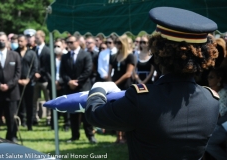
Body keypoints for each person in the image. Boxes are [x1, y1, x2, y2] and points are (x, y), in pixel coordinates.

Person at [85, 7, 220, 159]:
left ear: (158, 54)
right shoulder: (212, 101)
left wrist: (98, 89)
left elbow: (95, 115)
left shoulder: (142, 99)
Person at [60, 35, 97, 143]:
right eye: (67, 42)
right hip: (70, 88)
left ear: (77, 42)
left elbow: (88, 70)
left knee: (86, 114)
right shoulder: (65, 56)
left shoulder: (86, 55)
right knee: (73, 114)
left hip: (83, 88)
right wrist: (69, 81)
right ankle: (74, 135)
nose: (69, 44)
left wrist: (77, 81)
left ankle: (90, 135)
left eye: (71, 42)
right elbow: (63, 72)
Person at [0, 32, 21, 143]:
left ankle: (11, 137)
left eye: (3, 40)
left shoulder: (15, 55)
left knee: (11, 118)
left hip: (11, 93)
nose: (1, 42)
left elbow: (18, 73)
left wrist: (9, 85)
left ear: (7, 41)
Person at [108, 34, 135, 143]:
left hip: (125, 86)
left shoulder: (130, 56)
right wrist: (110, 83)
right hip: (114, 86)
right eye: (116, 42)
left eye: (119, 42)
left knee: (125, 111)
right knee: (115, 111)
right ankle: (118, 136)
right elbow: (109, 72)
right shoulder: (113, 56)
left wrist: (115, 83)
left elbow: (128, 73)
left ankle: (124, 136)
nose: (117, 44)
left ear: (123, 43)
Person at [15, 34, 38, 130]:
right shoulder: (14, 53)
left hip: (29, 83)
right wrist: (18, 80)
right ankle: (20, 122)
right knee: (18, 104)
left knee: (30, 104)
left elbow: (35, 68)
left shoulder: (32, 53)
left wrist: (28, 79)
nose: (20, 43)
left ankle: (29, 124)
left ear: (25, 42)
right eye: (18, 41)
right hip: (17, 82)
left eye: (21, 41)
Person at [33, 30, 51, 125]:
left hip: (45, 79)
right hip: (35, 79)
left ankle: (48, 117)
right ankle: (35, 117)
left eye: (38, 37)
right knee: (34, 100)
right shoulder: (34, 49)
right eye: (35, 37)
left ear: (43, 38)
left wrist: (40, 73)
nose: (36, 39)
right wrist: (35, 73)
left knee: (48, 99)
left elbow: (48, 65)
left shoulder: (47, 50)